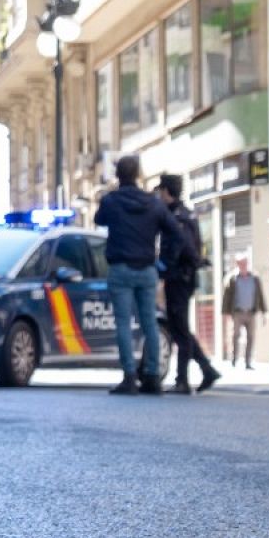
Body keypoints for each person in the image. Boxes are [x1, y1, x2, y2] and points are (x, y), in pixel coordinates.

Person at [93, 155, 182, 396]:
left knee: (123, 323)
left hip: (120, 268)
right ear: (138, 175)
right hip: (146, 269)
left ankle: (130, 377)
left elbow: (98, 219)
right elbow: (176, 232)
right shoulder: (153, 203)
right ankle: (152, 377)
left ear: (118, 175)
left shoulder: (111, 201)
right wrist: (164, 264)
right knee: (149, 322)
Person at [155, 174, 220, 394]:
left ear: (166, 192)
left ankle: (183, 379)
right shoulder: (184, 213)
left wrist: (166, 265)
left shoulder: (177, 217)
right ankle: (207, 369)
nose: (159, 196)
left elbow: (182, 246)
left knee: (180, 329)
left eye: (160, 191)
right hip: (182, 277)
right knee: (178, 327)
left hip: (179, 277)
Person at [221, 253, 267, 369]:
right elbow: (226, 297)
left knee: (251, 337)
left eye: (245, 263)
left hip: (251, 312)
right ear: (237, 264)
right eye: (241, 263)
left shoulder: (255, 278)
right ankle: (234, 359)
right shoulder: (232, 279)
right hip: (237, 312)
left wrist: (264, 311)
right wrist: (225, 313)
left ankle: (248, 362)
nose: (244, 265)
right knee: (235, 335)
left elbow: (260, 295)